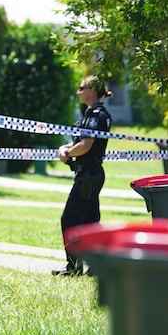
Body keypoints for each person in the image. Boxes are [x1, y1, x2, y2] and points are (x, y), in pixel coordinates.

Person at [55, 75, 113, 276]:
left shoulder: (97, 115)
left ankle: (74, 267)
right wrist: (67, 148)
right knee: (90, 222)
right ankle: (97, 267)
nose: (78, 92)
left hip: (88, 174)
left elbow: (86, 145)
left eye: (82, 88)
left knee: (70, 219)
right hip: (89, 173)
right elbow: (82, 142)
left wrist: (68, 153)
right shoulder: (90, 114)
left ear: (93, 90)